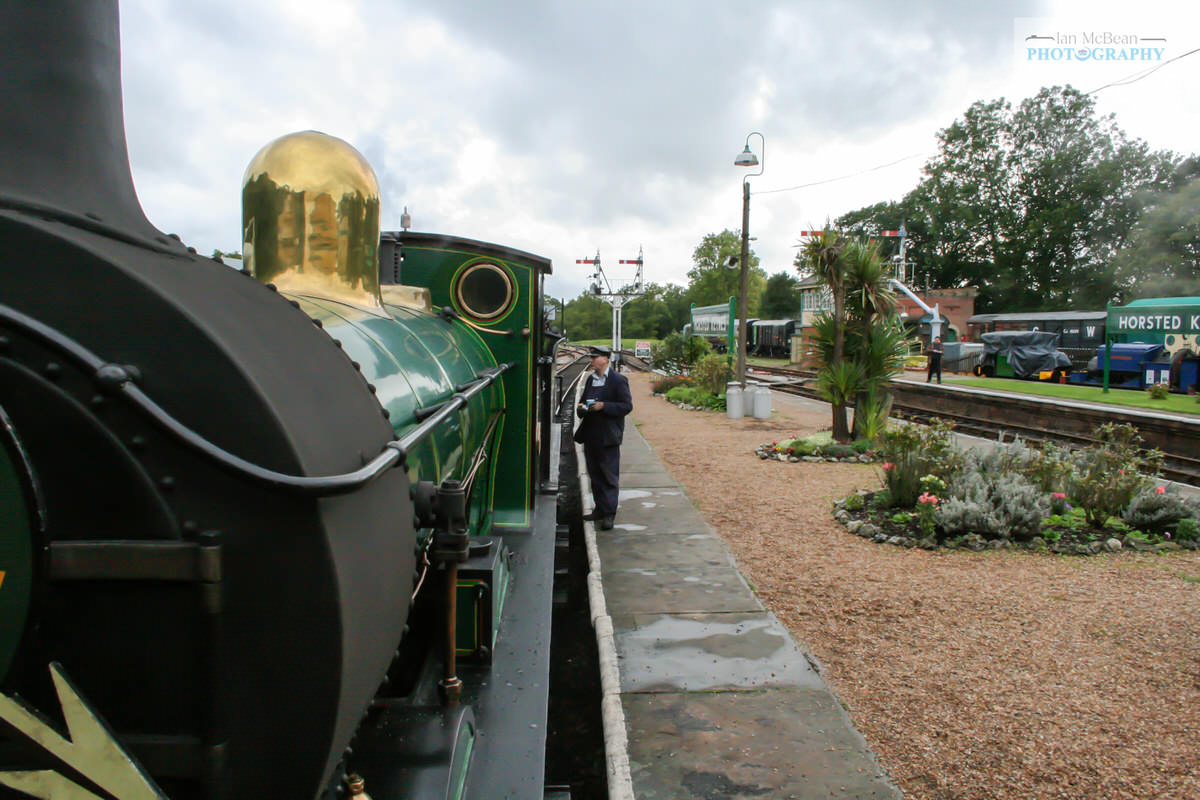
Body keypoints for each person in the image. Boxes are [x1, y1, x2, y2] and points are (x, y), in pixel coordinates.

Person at [573, 345, 633, 530]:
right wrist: (582, 408)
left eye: (594, 357)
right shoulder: (591, 380)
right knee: (595, 475)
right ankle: (599, 508)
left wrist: (604, 406)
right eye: (591, 357)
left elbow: (626, 406)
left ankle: (609, 514)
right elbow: (582, 402)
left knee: (608, 476)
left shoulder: (618, 380)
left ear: (605, 359)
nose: (591, 360)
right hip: (591, 435)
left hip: (608, 437)